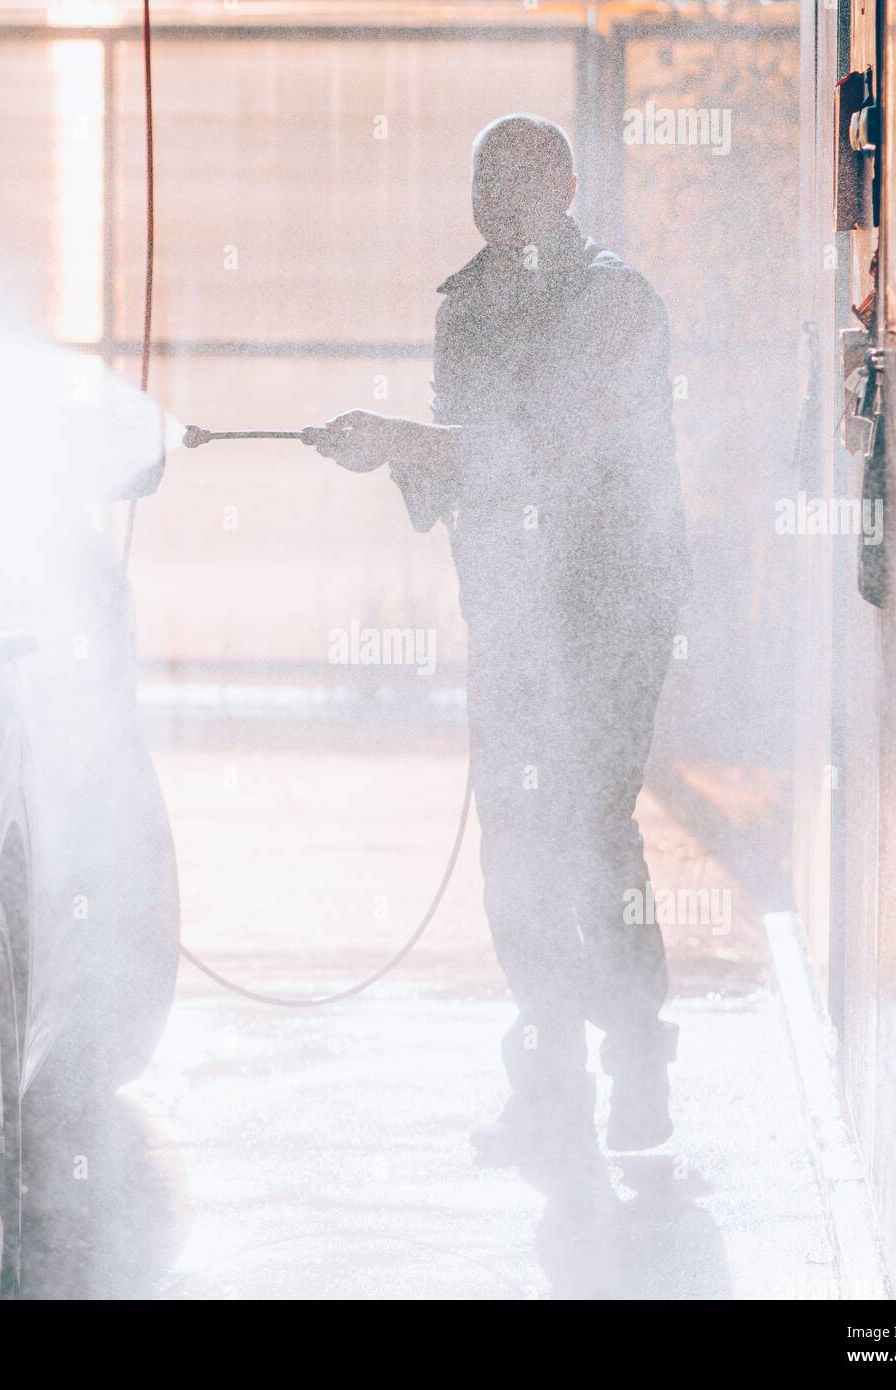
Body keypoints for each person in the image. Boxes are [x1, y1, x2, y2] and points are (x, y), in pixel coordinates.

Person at [314, 113, 691, 1165]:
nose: (492, 200)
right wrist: (395, 456)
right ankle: (549, 1075)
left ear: (566, 184)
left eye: (515, 178)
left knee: (589, 825)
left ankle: (635, 1059)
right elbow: (460, 467)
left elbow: (547, 452)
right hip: (515, 609)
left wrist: (404, 440)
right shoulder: (466, 307)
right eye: (480, 179)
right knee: (517, 838)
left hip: (613, 602)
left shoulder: (616, 303)